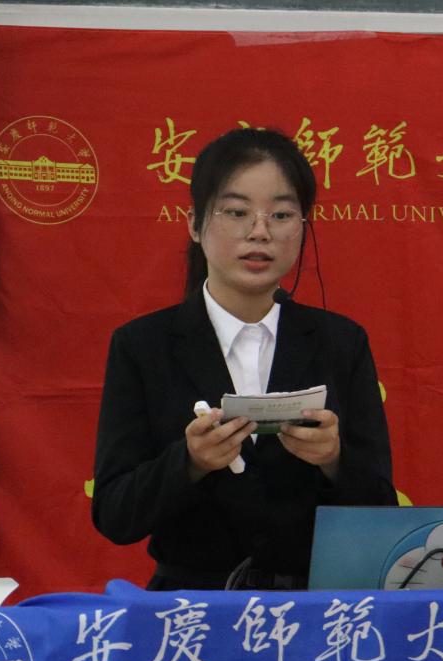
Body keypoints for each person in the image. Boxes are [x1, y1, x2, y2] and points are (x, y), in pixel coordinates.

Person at [92, 127, 394, 590]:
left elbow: (382, 511)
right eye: (236, 212)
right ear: (195, 225)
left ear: (302, 228)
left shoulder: (341, 342)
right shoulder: (143, 345)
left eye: (281, 214)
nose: (260, 231)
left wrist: (335, 460)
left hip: (312, 608)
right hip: (192, 608)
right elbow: (114, 514)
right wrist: (189, 462)